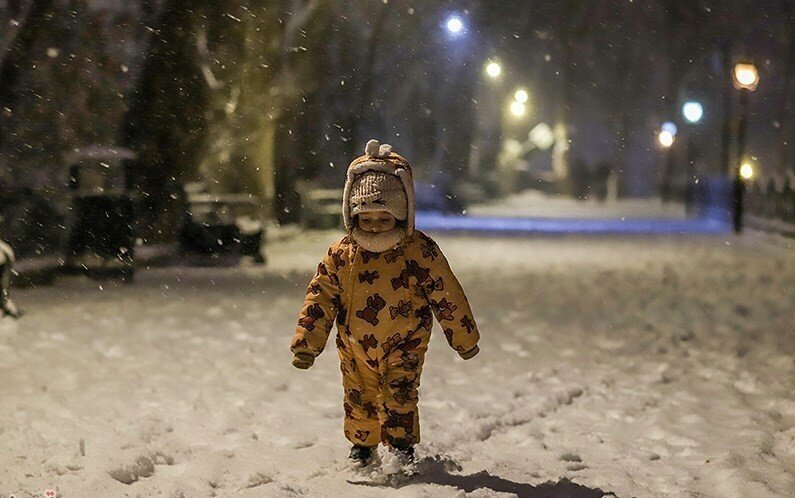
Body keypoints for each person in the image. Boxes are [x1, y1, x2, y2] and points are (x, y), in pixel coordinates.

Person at [290, 140, 480, 467]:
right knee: (358, 393)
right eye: (366, 220)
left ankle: (402, 445)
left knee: (400, 392)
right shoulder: (341, 254)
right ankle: (363, 445)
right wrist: (307, 343)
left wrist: (464, 338)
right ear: (352, 217)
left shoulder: (419, 251)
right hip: (354, 341)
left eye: (384, 219)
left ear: (402, 216)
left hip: (406, 338)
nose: (375, 227)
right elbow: (320, 296)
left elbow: (445, 291)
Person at [0, 239, 21, 318]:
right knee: (3, 285)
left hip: (4, 262)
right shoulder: (4, 247)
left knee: (3, 285)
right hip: (5, 261)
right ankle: (6, 306)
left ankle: (6, 306)